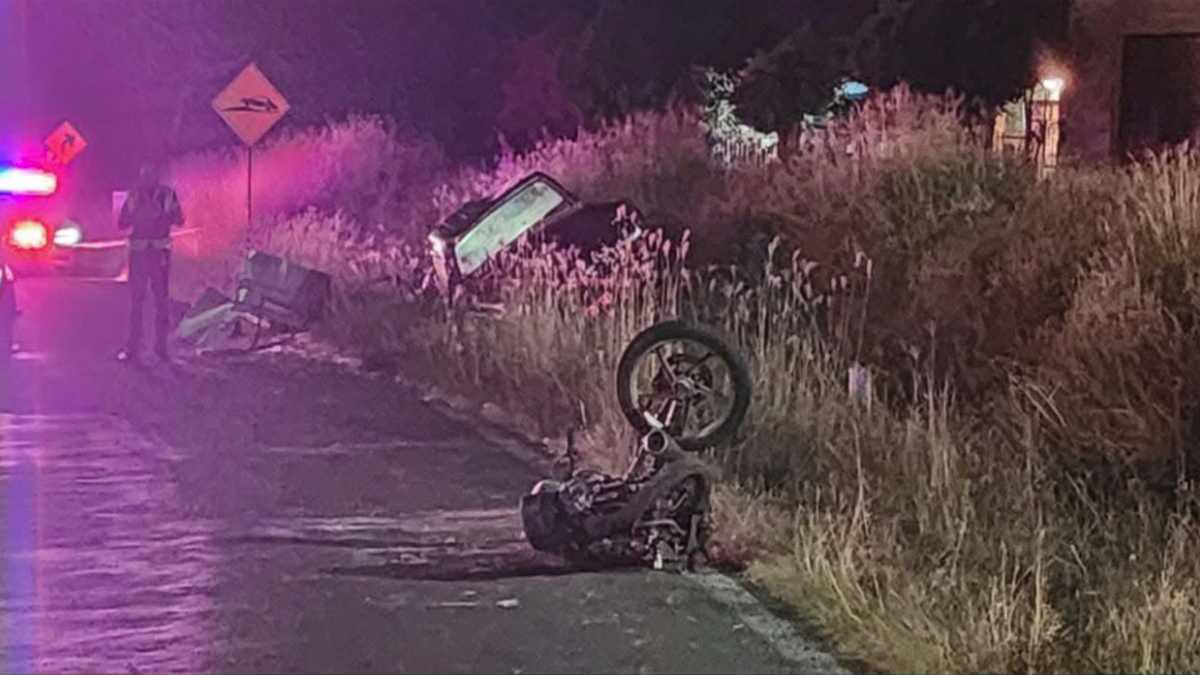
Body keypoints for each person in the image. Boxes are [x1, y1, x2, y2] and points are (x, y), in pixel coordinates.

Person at [117, 162, 184, 364]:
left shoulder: (161, 196)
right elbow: (122, 222)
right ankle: (140, 348)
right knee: (144, 302)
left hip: (152, 255)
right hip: (149, 255)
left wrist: (158, 217)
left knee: (154, 302)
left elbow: (179, 219)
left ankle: (153, 348)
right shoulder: (140, 196)